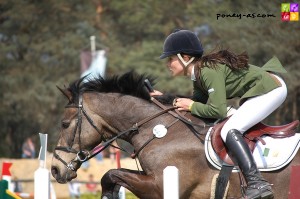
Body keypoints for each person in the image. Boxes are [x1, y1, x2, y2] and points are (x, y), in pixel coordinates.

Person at [152, 29, 288, 199]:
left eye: (170, 58)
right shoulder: (199, 74)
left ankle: (257, 183)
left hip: (271, 89)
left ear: (185, 58)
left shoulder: (208, 71)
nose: (168, 64)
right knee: (230, 126)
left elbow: (217, 110)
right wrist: (165, 98)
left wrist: (192, 105)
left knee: (229, 129)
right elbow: (197, 106)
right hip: (263, 90)